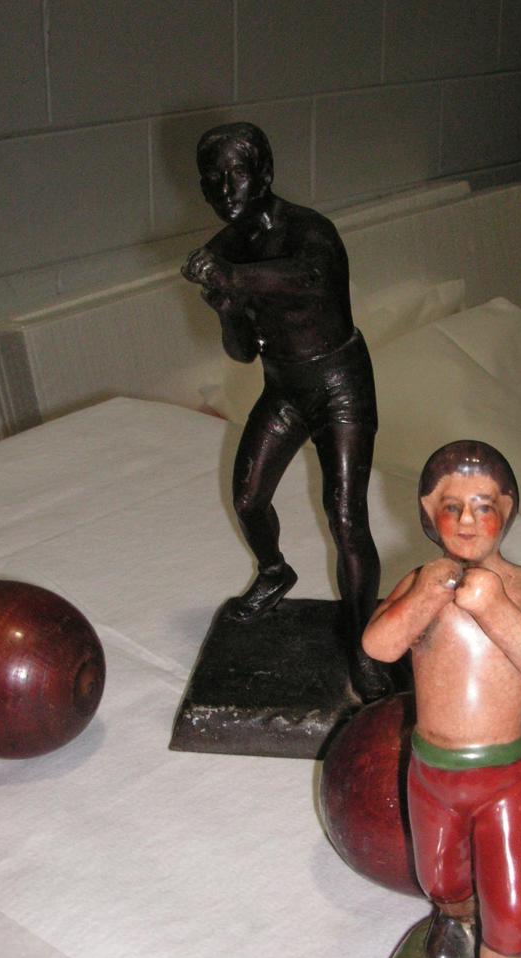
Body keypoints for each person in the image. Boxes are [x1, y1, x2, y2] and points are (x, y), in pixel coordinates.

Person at [362, 441, 521, 958]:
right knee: (441, 876)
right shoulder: (420, 583)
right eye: (452, 507)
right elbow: (379, 644)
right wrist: (427, 596)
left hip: (503, 777)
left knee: (516, 902)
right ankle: (451, 914)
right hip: (433, 772)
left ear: (508, 509)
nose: (469, 520)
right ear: (429, 514)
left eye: (484, 506)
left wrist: (494, 606)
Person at [182, 122, 389, 699]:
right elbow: (242, 352)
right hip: (284, 386)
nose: (226, 189)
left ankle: (364, 646)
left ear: (265, 174)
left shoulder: (309, 231)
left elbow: (311, 279)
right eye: (213, 179)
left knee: (345, 517)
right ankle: (274, 572)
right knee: (248, 499)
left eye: (236, 174)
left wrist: (235, 278)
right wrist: (227, 306)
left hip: (340, 383)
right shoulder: (226, 249)